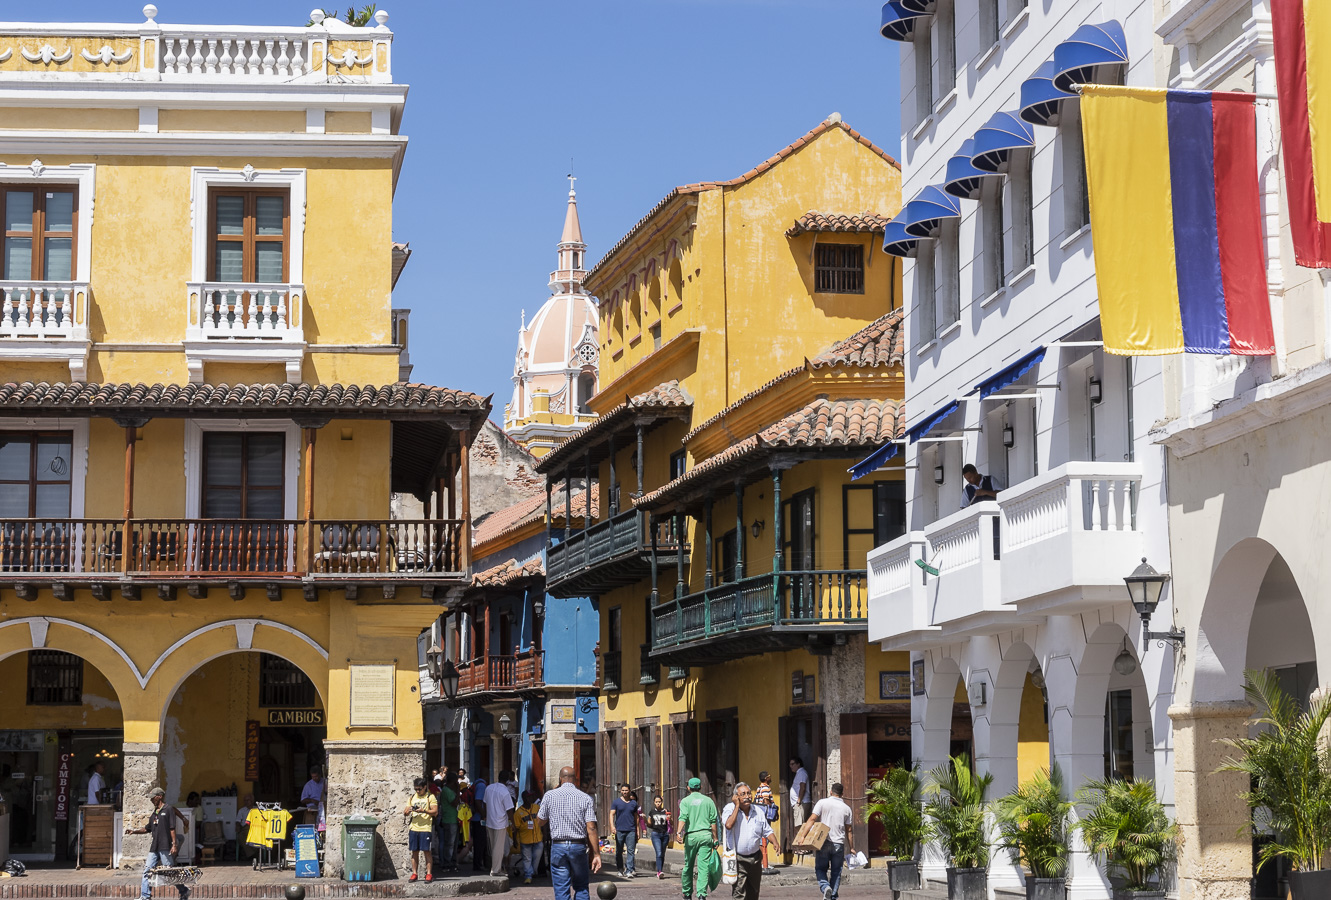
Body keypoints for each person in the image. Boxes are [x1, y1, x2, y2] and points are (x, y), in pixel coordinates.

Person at [538, 767, 601, 900]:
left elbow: (540, 821)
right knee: (581, 886)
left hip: (558, 846)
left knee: (561, 888)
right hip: (578, 845)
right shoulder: (585, 798)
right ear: (575, 779)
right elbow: (591, 828)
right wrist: (596, 854)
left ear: (560, 779)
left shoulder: (550, 796)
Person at [126, 787, 189, 900]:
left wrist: (174, 844)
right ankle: (145, 896)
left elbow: (172, 828)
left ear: (159, 796)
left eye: (153, 798)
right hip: (154, 847)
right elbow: (147, 829)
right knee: (147, 871)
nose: (151, 800)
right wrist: (134, 831)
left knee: (169, 872)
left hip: (165, 846)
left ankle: (184, 890)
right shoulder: (154, 813)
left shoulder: (168, 809)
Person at [722, 783, 774, 900]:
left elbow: (767, 830)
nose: (747, 796)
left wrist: (775, 842)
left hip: (755, 858)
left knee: (753, 892)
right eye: (743, 794)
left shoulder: (758, 811)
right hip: (738, 859)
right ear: (736, 797)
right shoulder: (729, 809)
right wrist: (737, 806)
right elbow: (728, 825)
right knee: (739, 892)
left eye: (749, 793)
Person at [808, 783, 854, 900]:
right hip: (839, 843)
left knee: (820, 868)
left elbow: (812, 819)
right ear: (842, 794)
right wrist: (852, 847)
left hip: (823, 841)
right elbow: (849, 830)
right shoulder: (847, 809)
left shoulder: (822, 803)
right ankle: (832, 896)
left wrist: (803, 836)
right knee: (836, 872)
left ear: (830, 792)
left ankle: (825, 887)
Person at [675, 777, 719, 900]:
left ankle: (687, 892)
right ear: (701, 787)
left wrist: (678, 832)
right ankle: (701, 894)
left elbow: (683, 817)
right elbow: (713, 822)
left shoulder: (685, 801)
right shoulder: (709, 801)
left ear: (688, 788)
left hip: (691, 837)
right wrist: (715, 838)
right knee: (703, 867)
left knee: (688, 865)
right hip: (706, 836)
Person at [403, 776, 438, 882]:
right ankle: (414, 873)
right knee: (414, 851)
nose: (417, 791)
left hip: (425, 828)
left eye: (419, 789)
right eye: (416, 789)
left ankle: (429, 874)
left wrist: (424, 811)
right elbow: (405, 812)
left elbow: (435, 811)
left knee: (427, 851)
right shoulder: (412, 797)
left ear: (425, 787)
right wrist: (408, 810)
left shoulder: (430, 797)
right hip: (414, 827)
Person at [485, 769, 516, 878]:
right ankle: (496, 870)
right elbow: (509, 810)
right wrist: (513, 823)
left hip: (490, 821)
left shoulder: (489, 788)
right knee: (498, 848)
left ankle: (495, 867)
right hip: (500, 822)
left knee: (493, 846)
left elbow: (485, 803)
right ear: (507, 780)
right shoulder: (505, 792)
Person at [513, 790, 544, 884]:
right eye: (528, 797)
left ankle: (531, 872)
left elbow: (543, 820)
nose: (531, 798)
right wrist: (515, 840)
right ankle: (528, 875)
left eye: (531, 796)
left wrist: (545, 833)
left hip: (538, 839)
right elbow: (516, 828)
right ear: (524, 798)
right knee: (527, 859)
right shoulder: (518, 812)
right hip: (525, 840)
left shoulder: (537, 807)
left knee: (536, 859)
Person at [610, 783, 640, 877]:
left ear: (629, 791)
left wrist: (637, 830)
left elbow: (636, 817)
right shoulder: (616, 802)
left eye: (626, 790)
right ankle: (620, 869)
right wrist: (612, 826)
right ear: (620, 791)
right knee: (619, 851)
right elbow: (611, 814)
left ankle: (629, 870)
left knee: (631, 851)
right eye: (623, 790)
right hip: (619, 830)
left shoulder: (633, 803)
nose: (624, 792)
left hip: (631, 830)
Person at [435, 770, 461, 873]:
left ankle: (453, 863)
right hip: (449, 820)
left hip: (454, 819)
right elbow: (454, 803)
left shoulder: (449, 790)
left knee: (454, 844)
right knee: (449, 844)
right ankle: (447, 863)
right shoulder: (446, 790)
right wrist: (458, 791)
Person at [754, 772, 778, 875]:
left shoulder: (760, 787)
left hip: (759, 813)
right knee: (764, 838)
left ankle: (762, 862)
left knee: (762, 838)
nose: (770, 778)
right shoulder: (765, 788)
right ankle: (763, 862)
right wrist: (771, 808)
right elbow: (765, 800)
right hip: (764, 814)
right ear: (766, 778)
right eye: (769, 776)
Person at [645, 795, 671, 879]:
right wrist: (645, 819)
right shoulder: (652, 812)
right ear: (654, 803)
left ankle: (660, 870)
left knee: (662, 853)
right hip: (656, 834)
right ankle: (659, 871)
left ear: (662, 802)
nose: (658, 803)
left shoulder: (666, 811)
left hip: (665, 834)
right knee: (659, 852)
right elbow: (649, 824)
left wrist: (669, 818)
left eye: (659, 802)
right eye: (656, 802)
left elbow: (671, 823)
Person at [788, 758, 810, 832]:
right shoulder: (799, 773)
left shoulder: (802, 773)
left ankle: (802, 838)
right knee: (799, 825)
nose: (791, 766)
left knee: (799, 826)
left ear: (798, 764)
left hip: (801, 803)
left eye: (792, 764)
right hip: (799, 803)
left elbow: (802, 787)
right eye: (790, 764)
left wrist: (799, 801)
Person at [235, 794, 255, 862]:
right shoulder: (242, 810)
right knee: (241, 837)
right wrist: (237, 826)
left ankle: (251, 854)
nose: (246, 802)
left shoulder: (257, 809)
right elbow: (237, 821)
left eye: (248, 800)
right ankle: (252, 854)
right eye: (245, 800)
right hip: (245, 828)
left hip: (255, 828)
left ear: (252, 801)